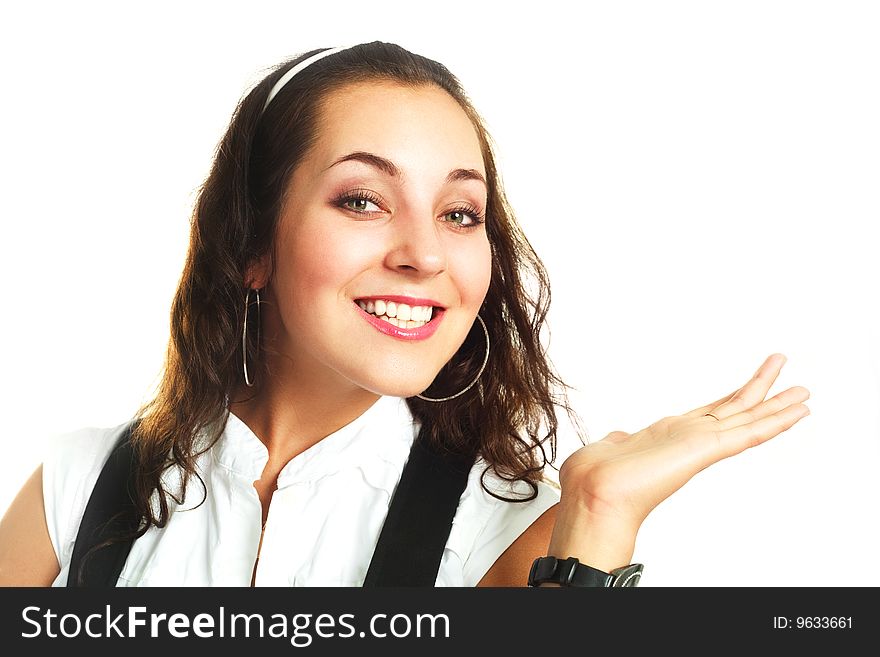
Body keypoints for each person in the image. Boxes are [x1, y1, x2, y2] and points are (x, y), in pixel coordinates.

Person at [0, 41, 810, 587]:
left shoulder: (504, 527)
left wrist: (600, 516)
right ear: (252, 243)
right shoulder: (82, 481)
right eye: (363, 199)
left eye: (460, 213)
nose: (425, 253)